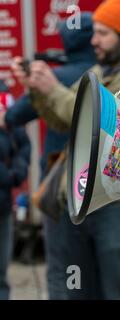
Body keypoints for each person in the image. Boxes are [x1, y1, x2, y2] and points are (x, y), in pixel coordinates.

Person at [12, 0, 120, 300]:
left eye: (103, 33)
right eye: (94, 32)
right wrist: (37, 87)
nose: (93, 40)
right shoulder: (100, 70)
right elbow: (61, 121)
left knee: (117, 292)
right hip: (83, 200)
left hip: (119, 201)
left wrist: (53, 87)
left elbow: (105, 127)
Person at [1, 13, 96, 299]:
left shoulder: (56, 77)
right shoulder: (108, 74)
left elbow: (14, 117)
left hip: (60, 183)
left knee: (61, 264)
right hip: (101, 184)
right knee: (92, 265)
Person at [0, 82, 31, 299]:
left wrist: (17, 171)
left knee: (1, 271)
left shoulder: (3, 95)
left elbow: (22, 141)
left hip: (2, 204)